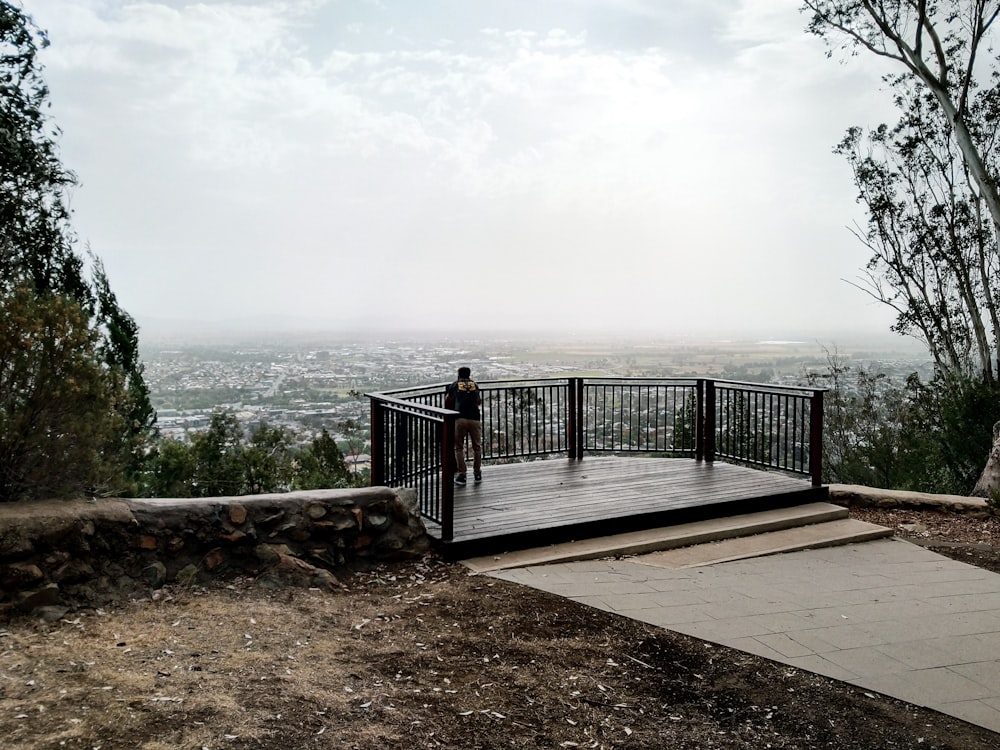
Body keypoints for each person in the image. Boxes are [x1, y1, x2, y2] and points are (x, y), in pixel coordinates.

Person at [445, 366, 482, 486]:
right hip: (475, 418)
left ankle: (462, 475)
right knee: (477, 447)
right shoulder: (474, 385)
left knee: (459, 448)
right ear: (469, 374)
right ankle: (477, 474)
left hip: (460, 418)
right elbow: (478, 401)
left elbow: (448, 400)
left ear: (458, 374)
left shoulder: (455, 384)